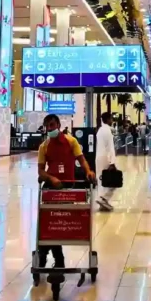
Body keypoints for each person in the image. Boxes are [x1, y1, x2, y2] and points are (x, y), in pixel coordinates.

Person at [37, 114, 96, 267]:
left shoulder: (71, 141)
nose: (49, 129)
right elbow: (41, 171)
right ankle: (56, 258)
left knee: (59, 220)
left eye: (51, 125)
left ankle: (46, 254)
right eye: (47, 126)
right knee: (48, 220)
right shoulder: (44, 146)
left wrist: (89, 172)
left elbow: (82, 160)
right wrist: (51, 178)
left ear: (58, 125)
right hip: (51, 187)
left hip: (68, 187)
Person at [95, 112, 117, 212]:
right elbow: (110, 148)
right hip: (105, 158)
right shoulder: (108, 131)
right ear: (108, 119)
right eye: (111, 119)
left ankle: (102, 202)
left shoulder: (100, 130)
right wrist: (112, 162)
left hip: (98, 158)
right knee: (114, 180)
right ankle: (103, 198)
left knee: (101, 180)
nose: (112, 121)